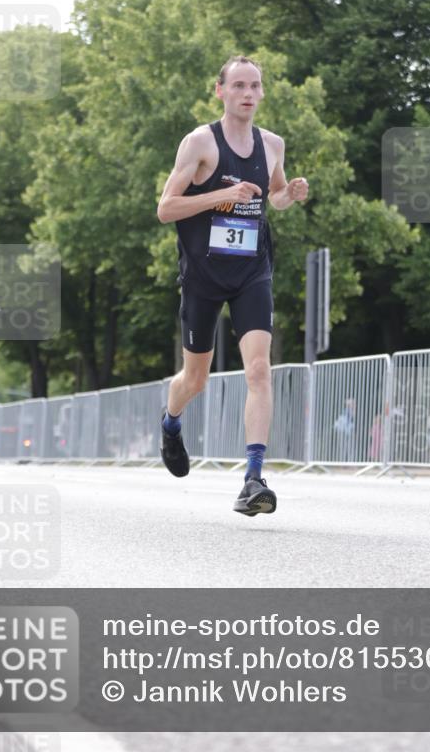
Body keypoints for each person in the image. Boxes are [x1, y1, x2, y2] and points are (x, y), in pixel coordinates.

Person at [156, 55, 309, 516]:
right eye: (238, 85)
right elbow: (166, 208)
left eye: (255, 85)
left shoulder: (273, 145)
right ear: (220, 91)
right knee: (195, 379)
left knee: (259, 370)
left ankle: (254, 478)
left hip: (251, 272)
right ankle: (170, 422)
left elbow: (274, 197)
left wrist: (290, 195)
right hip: (203, 276)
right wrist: (222, 194)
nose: (248, 93)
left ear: (262, 93)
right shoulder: (200, 142)